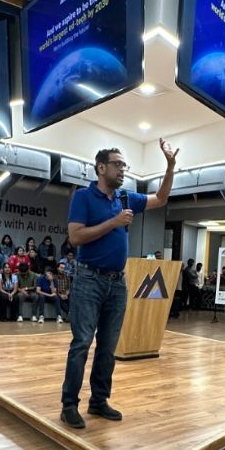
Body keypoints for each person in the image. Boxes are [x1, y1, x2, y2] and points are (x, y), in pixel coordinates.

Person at [60, 139, 178, 429]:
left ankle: (99, 401)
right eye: (118, 164)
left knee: (108, 345)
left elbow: (161, 198)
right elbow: (75, 238)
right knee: (82, 343)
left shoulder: (126, 198)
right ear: (101, 168)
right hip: (88, 279)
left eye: (125, 165)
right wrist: (113, 222)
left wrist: (170, 166)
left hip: (117, 283)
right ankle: (69, 405)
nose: (123, 169)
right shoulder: (83, 197)